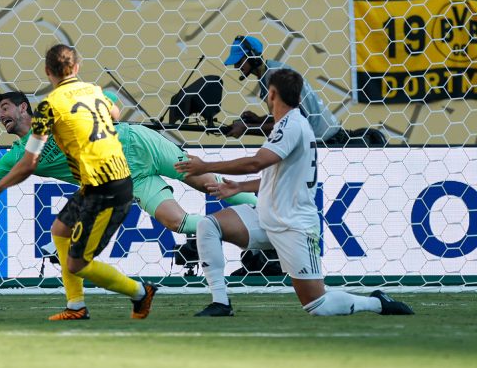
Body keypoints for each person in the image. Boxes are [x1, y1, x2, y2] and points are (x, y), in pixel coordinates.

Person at [0, 90, 257, 320]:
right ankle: (81, 303)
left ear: (24, 107)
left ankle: (262, 205)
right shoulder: (19, 156)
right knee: (176, 222)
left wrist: (109, 111)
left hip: (136, 143)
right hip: (125, 178)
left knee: (208, 183)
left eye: (4, 108)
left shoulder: (55, 114)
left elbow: (106, 96)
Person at [175, 68, 414, 317]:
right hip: (267, 216)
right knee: (208, 226)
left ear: (272, 93)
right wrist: (241, 187)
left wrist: (206, 166)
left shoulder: (292, 126)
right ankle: (221, 303)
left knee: (317, 306)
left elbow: (256, 163)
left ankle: (376, 303)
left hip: (294, 225)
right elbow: (278, 176)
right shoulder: (285, 126)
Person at [0, 44, 159, 319]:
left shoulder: (49, 107)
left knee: (77, 264)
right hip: (98, 182)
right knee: (59, 230)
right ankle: (76, 305)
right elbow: (115, 114)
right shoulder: (93, 91)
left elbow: (30, 162)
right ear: (76, 68)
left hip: (107, 188)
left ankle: (140, 292)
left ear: (47, 72)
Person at [222, 35, 345, 145]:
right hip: (321, 137)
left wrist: (246, 128)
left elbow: (288, 125)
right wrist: (259, 119)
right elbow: (286, 116)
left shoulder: (276, 77)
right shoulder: (269, 72)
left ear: (253, 57)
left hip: (326, 141)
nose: (236, 66)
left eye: (239, 61)